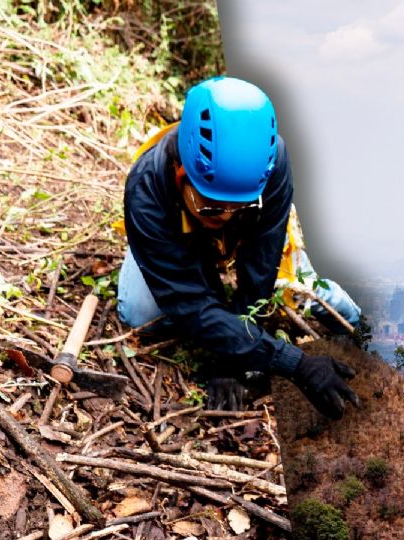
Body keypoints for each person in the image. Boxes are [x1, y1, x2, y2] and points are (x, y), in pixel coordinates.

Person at [118, 76, 361, 419]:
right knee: (140, 313)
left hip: (250, 236)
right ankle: (149, 254)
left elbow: (261, 267)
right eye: (212, 207)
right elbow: (191, 303)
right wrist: (287, 361)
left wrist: (234, 354)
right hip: (177, 239)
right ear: (180, 173)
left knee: (311, 295)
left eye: (240, 207)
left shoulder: (272, 163)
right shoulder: (147, 189)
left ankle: (364, 328)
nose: (226, 216)